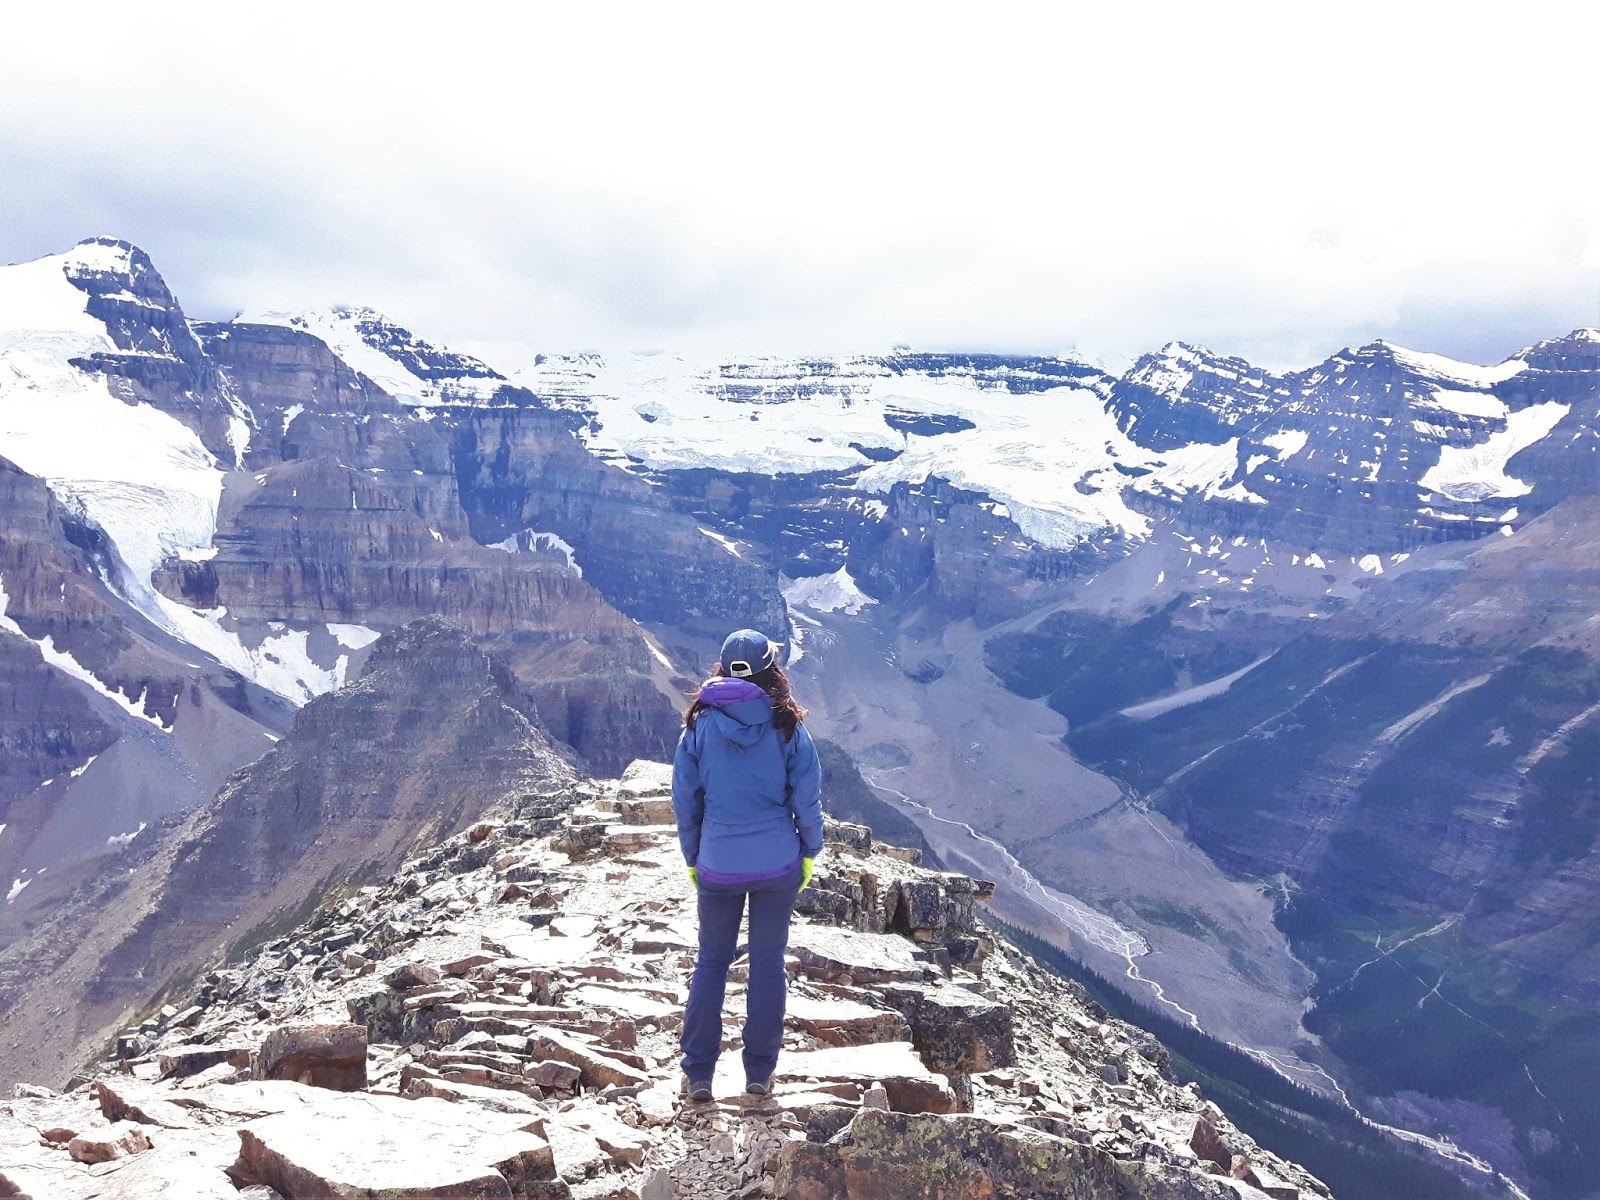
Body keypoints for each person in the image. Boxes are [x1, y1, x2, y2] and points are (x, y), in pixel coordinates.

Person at [672, 628, 823, 1102]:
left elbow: (685, 800)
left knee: (712, 962)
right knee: (766, 963)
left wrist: (694, 857)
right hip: (778, 863)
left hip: (717, 864)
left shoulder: (698, 727)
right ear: (770, 670)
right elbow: (808, 797)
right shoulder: (788, 728)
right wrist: (809, 852)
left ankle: (698, 1074)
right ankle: (759, 1072)